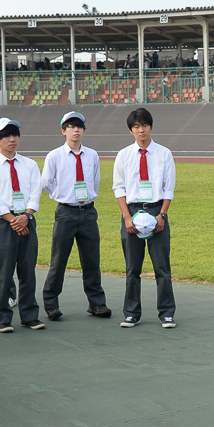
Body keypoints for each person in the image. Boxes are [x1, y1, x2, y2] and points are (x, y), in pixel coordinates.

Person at [40, 111, 110, 321]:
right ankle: (51, 304)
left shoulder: (92, 155)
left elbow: (95, 181)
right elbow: (45, 183)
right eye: (71, 126)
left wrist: (87, 197)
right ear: (63, 130)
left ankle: (97, 304)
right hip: (66, 212)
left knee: (91, 260)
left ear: (84, 130)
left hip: (88, 212)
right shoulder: (54, 156)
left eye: (79, 126)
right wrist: (61, 195)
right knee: (58, 260)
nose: (76, 129)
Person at [113, 108, 177, 328]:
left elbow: (169, 188)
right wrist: (126, 217)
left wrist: (162, 215)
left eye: (144, 125)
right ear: (131, 130)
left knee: (162, 267)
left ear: (151, 126)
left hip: (157, 211)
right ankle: (131, 313)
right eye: (136, 127)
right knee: (133, 268)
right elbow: (118, 188)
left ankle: (167, 313)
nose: (141, 130)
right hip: (132, 212)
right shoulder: (123, 155)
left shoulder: (164, 153)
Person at [0, 118, 45, 332]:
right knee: (3, 272)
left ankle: (29, 316)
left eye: (15, 135)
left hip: (27, 220)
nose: (12, 140)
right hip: (3, 224)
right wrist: (13, 220)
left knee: (28, 271)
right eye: (7, 136)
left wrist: (26, 216)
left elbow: (35, 192)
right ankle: (3, 318)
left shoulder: (29, 164)